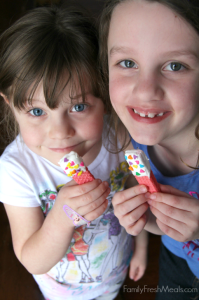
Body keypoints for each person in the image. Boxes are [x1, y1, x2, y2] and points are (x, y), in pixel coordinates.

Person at [0, 6, 148, 300]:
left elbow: (139, 192)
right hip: (62, 292)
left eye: (79, 107)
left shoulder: (118, 136)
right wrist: (62, 218)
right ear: (9, 105)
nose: (60, 132)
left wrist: (141, 247)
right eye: (37, 111)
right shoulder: (15, 170)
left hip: (114, 273)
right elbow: (31, 258)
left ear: (104, 96)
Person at [99, 0, 199, 299]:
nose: (145, 91)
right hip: (176, 257)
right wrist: (154, 221)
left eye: (175, 66)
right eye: (128, 63)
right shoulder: (135, 139)